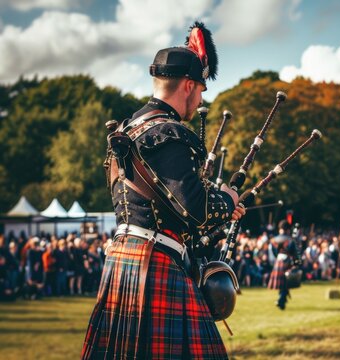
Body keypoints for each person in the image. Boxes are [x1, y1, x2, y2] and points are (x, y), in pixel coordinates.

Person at [82, 22, 245, 359]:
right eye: (200, 89)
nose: (201, 98)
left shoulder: (129, 129)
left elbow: (170, 206)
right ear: (188, 85)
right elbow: (196, 209)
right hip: (154, 262)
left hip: (123, 258)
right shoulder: (168, 133)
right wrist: (227, 200)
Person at [267, 220, 296, 310]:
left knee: (283, 283)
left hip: (279, 260)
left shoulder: (274, 240)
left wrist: (278, 256)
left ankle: (282, 299)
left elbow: (274, 251)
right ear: (287, 229)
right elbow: (294, 251)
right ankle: (281, 300)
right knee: (285, 283)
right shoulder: (291, 240)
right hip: (287, 260)